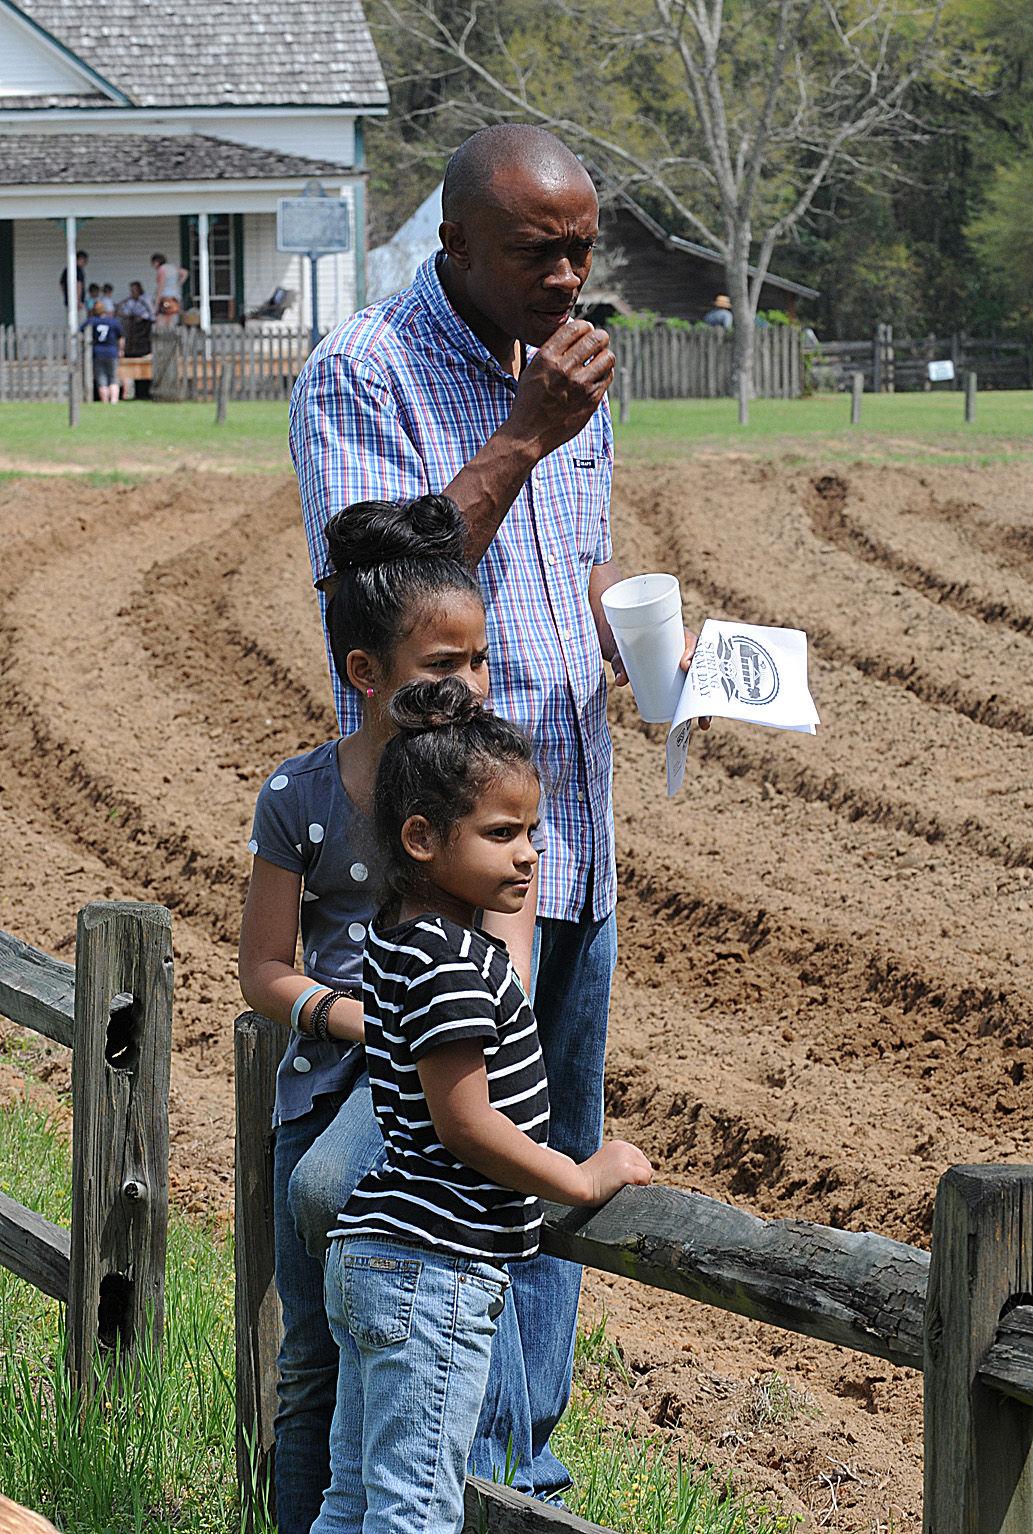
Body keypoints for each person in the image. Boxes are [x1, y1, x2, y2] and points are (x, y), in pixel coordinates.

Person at [290, 122, 698, 1506]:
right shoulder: (365, 373)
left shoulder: (567, 376)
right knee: (425, 1169)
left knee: (552, 1167)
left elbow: (559, 574)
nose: (571, 278)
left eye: (585, 248)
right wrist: (525, 435)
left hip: (562, 844)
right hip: (433, 873)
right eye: (539, 252)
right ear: (453, 245)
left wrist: (650, 657)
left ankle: (525, 1472)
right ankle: (424, 1470)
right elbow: (382, 593)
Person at [239, 493, 528, 1531]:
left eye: (477, 662)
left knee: (340, 1227)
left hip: (437, 1075)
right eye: (438, 667)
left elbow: (512, 962)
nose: (466, 687)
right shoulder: (300, 795)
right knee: (310, 1355)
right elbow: (266, 967)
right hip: (331, 1077)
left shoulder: (481, 799)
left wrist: (414, 1032)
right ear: (365, 674)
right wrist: (352, 1016)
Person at [311, 675, 652, 1534]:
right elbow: (465, 1122)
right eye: (501, 833)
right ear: (420, 838)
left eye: (533, 830)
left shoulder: (404, 937)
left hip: (379, 1255)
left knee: (353, 1500)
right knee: (415, 1512)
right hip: (433, 1271)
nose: (528, 853)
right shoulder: (452, 963)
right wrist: (575, 1178)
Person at [81, 300, 124, 403]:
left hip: (98, 352)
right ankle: (114, 401)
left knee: (101, 379)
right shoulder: (113, 321)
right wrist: (121, 350)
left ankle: (104, 401)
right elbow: (121, 336)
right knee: (113, 378)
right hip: (112, 351)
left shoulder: (92, 321)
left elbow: (81, 330)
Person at [117, 281, 154, 358]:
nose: (132, 292)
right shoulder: (131, 301)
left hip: (145, 322)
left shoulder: (146, 298)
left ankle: (146, 352)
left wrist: (144, 317)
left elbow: (151, 311)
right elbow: (127, 311)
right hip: (134, 322)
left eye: (134, 290)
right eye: (131, 290)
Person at [152, 251, 186, 326]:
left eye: (153, 263)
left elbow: (161, 287)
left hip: (166, 298)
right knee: (171, 317)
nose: (153, 266)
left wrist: (156, 304)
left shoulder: (161, 270)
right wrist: (178, 284)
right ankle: (170, 334)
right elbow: (184, 273)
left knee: (161, 318)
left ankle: (163, 335)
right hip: (175, 298)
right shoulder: (172, 267)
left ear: (157, 262)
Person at [59, 250, 88, 315]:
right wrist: (78, 301)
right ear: (80, 259)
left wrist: (66, 294)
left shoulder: (67, 269)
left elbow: (62, 284)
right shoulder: (77, 270)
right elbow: (78, 285)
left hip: (69, 301)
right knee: (81, 322)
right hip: (77, 303)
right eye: (84, 261)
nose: (85, 263)